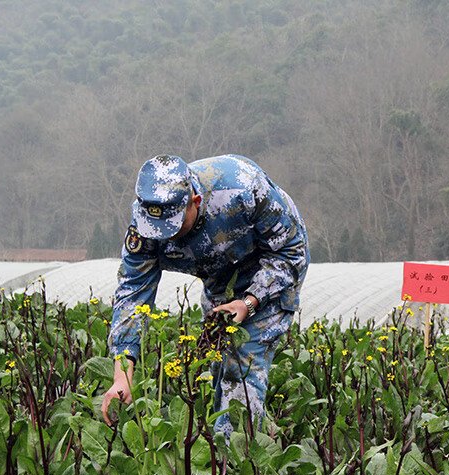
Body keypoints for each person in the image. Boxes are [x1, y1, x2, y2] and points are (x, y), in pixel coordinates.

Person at [102, 154, 309, 437]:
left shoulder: (242, 188)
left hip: (271, 268)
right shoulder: (146, 223)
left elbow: (291, 251)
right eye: (157, 231)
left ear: (195, 202)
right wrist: (122, 375)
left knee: (241, 366)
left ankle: (237, 465)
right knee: (218, 365)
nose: (165, 238)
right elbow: (132, 294)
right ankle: (267, 435)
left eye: (173, 229)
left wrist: (250, 300)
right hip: (218, 276)